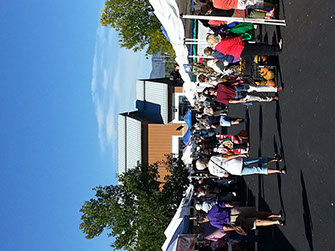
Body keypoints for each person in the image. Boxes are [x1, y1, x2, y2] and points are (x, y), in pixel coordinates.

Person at [199, 202, 283, 232]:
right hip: (233, 211)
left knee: (256, 222)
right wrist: (234, 205)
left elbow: (225, 228)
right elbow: (226, 204)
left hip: (234, 221)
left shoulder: (212, 223)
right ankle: (277, 215)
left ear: (203, 219)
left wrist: (235, 228)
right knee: (257, 213)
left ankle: (276, 222)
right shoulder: (212, 209)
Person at [195, 154, 286, 177]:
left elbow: (226, 175)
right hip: (236, 162)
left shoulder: (212, 172)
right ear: (203, 161)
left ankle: (279, 171)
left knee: (258, 170)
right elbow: (226, 157)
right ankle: (276, 159)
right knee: (258, 160)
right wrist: (240, 155)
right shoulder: (212, 158)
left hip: (236, 171)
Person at [207, 34, 282, 58]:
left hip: (239, 52)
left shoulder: (218, 47)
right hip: (241, 48)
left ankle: (275, 50)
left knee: (260, 50)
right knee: (260, 48)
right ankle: (276, 49)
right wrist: (240, 38)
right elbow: (232, 41)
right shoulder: (221, 44)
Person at [207, 82, 281, 105]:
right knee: (257, 98)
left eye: (209, 90)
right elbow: (230, 101)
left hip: (239, 88)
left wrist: (239, 81)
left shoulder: (219, 85)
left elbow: (229, 82)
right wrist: (240, 101)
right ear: (210, 95)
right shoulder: (219, 98)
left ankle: (275, 89)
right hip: (239, 96)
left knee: (257, 88)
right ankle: (271, 98)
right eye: (209, 93)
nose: (210, 91)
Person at [210, 0, 274, 10]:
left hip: (237, 6)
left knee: (256, 5)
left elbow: (227, 8)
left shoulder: (215, 5)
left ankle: (272, 5)